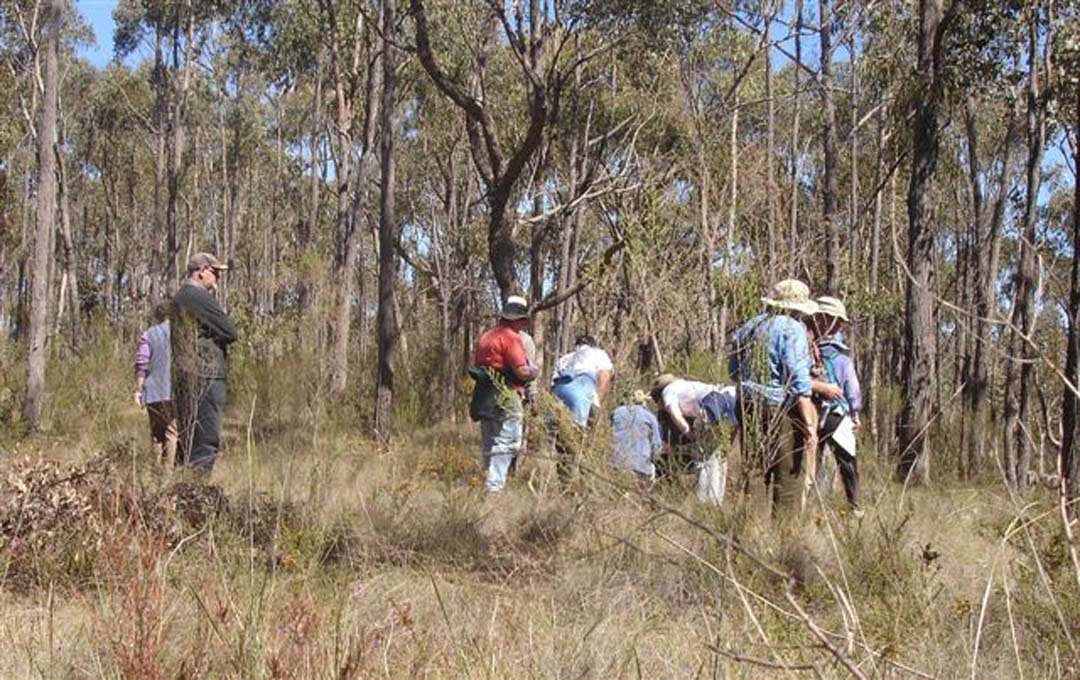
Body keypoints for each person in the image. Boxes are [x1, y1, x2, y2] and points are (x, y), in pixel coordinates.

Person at [729, 279, 837, 514]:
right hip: (778, 408)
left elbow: (733, 370)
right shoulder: (792, 329)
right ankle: (785, 534)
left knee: (755, 469)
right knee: (789, 474)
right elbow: (798, 380)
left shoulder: (749, 326)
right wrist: (810, 426)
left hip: (746, 403)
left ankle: (752, 527)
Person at [171, 252, 237, 472]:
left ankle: (182, 494)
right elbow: (229, 331)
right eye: (215, 272)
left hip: (186, 374)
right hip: (205, 376)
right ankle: (198, 497)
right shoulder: (197, 297)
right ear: (201, 272)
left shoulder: (180, 297)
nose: (217, 277)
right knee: (205, 442)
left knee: (188, 439)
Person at [469, 296, 539, 493]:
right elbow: (522, 371)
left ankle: (487, 481)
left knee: (489, 441)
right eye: (523, 320)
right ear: (517, 319)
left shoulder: (485, 337)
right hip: (506, 394)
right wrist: (535, 371)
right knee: (508, 441)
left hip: (484, 395)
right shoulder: (512, 338)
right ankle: (494, 488)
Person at [650, 374, 737, 505]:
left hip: (714, 402)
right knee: (719, 457)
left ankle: (702, 503)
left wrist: (690, 434)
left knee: (702, 458)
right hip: (733, 397)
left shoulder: (669, 391)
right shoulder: (687, 386)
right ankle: (716, 502)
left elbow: (675, 414)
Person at [812, 296, 862, 512]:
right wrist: (854, 412)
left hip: (810, 411)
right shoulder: (842, 358)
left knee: (812, 462)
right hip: (836, 414)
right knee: (847, 462)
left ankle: (812, 508)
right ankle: (856, 508)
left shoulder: (806, 346)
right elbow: (852, 387)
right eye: (838, 320)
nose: (840, 325)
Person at [135, 302, 177, 465]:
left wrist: (138, 389)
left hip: (152, 391)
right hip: (172, 390)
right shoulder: (178, 335)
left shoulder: (148, 334)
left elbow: (142, 364)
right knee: (171, 432)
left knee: (156, 433)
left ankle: (155, 473)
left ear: (157, 316)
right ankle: (167, 474)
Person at [551, 334, 614, 427]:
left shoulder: (564, 358)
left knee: (555, 430)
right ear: (593, 346)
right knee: (579, 433)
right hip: (581, 393)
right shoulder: (599, 354)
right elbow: (604, 376)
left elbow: (553, 383)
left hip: (559, 394)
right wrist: (598, 402)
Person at [610, 390, 663, 484]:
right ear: (644, 402)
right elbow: (656, 446)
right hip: (640, 465)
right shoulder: (650, 417)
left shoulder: (616, 412)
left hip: (616, 462)